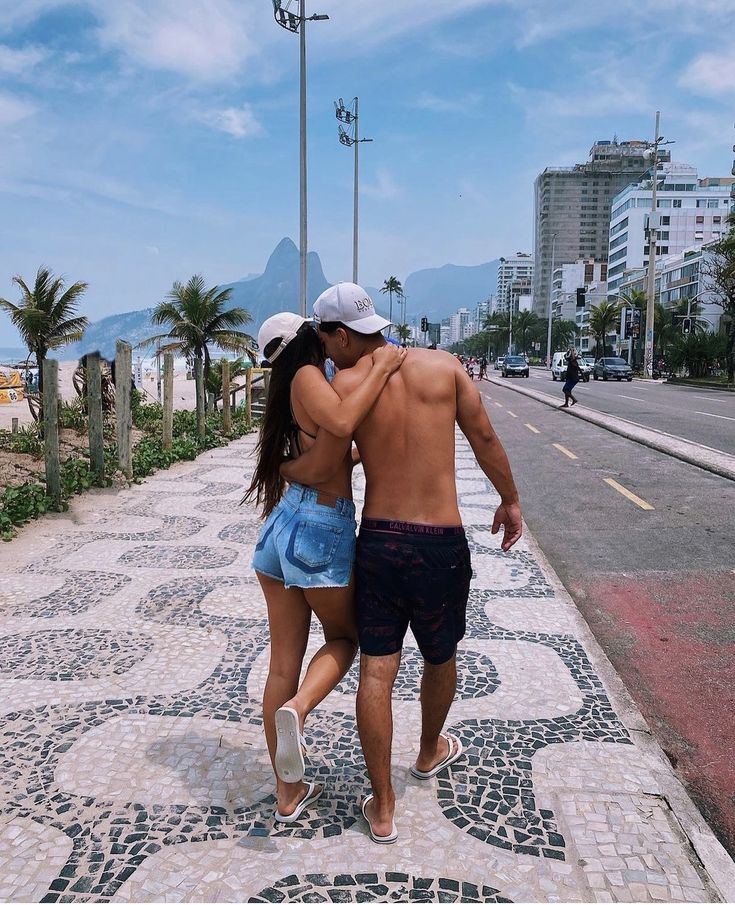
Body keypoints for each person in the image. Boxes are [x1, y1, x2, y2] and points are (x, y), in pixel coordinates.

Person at [282, 282, 522, 845]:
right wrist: (509, 500)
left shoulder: (348, 386)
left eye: (325, 337)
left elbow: (331, 456)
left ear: (342, 336)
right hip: (441, 541)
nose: (324, 349)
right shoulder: (445, 367)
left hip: (381, 540)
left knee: (376, 672)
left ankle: (384, 807)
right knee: (441, 658)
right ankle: (429, 750)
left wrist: (288, 474)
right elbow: (483, 436)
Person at [244, 311, 405, 825]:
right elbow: (339, 423)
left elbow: (324, 451)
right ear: (303, 341)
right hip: (319, 530)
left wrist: (348, 459)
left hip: (282, 528)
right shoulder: (308, 377)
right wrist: (381, 368)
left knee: (280, 665)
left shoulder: (287, 392)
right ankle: (301, 708)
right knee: (344, 637)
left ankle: (287, 791)